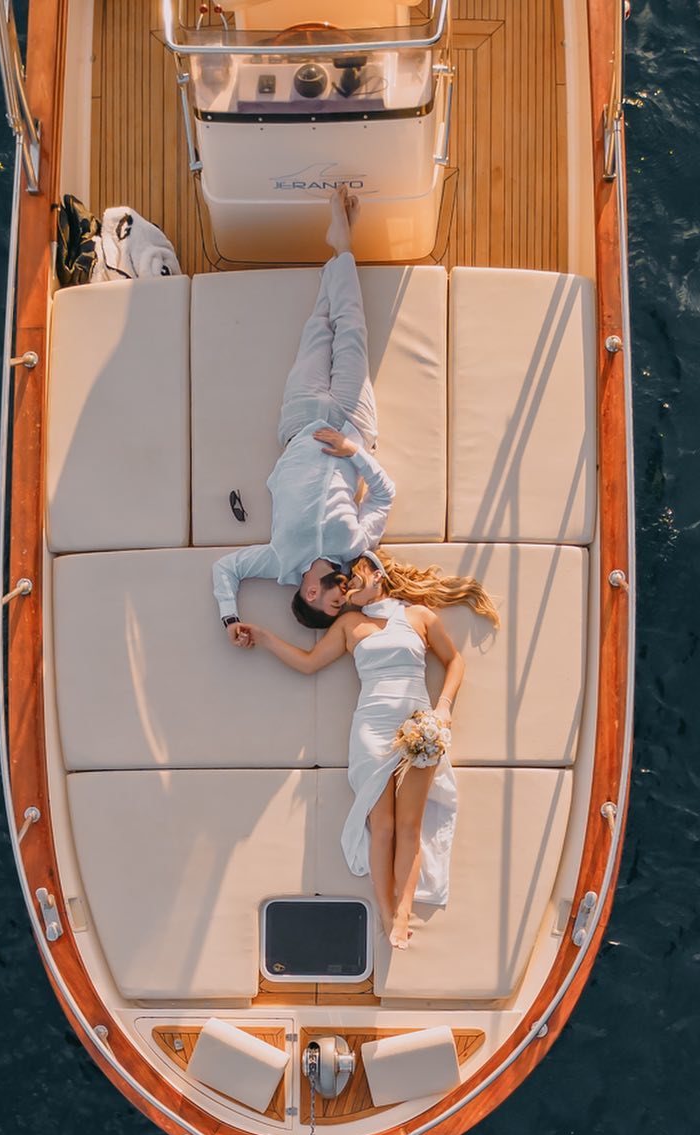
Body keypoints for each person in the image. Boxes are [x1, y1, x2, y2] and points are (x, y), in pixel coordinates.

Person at [234, 552, 499, 949]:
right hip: (371, 730)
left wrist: (443, 707)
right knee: (383, 827)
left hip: (418, 726)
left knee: (409, 826)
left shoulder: (419, 616)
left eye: (352, 581)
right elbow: (308, 664)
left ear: (376, 575)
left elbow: (454, 661)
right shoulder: (348, 625)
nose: (346, 590)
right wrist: (264, 636)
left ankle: (404, 911)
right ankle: (387, 912)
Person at [211, 186, 395, 640]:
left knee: (318, 327)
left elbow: (225, 568)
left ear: (310, 593)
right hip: (352, 422)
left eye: (334, 602)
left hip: (301, 422)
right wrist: (353, 451)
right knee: (351, 330)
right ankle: (343, 245)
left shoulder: (279, 561)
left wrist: (231, 618)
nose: (343, 596)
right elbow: (384, 495)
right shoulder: (354, 549)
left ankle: (338, 249)